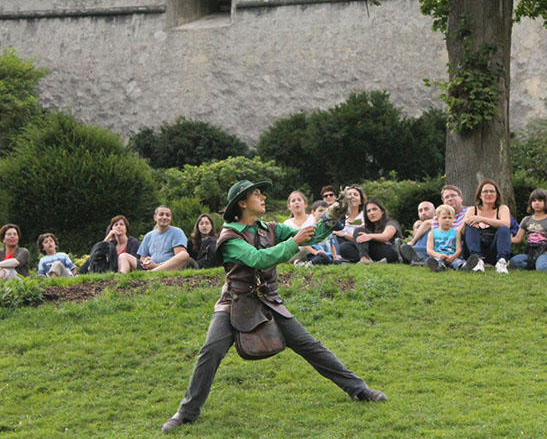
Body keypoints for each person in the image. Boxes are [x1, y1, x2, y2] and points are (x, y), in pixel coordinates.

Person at [161, 179, 386, 433]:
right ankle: (187, 413)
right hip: (235, 301)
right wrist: (294, 242)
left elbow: (316, 234)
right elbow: (258, 259)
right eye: (256, 194)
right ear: (242, 203)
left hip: (269, 300)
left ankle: (359, 389)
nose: (263, 197)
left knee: (310, 346)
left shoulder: (268, 228)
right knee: (210, 351)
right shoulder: (228, 236)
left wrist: (334, 214)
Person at [399, 185, 468, 265]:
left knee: (417, 247)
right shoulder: (436, 218)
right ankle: (408, 253)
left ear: (461, 198)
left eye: (453, 195)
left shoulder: (468, 211)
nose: (450, 199)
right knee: (429, 237)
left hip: (456, 247)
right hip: (438, 250)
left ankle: (405, 254)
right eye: (446, 197)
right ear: (443, 201)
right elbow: (436, 237)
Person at [118, 205, 190, 273]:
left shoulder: (177, 232)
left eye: (167, 215)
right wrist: (146, 262)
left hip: (169, 267)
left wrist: (156, 266)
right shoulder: (148, 236)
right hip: (149, 268)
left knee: (184, 255)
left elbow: (179, 257)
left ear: (170, 217)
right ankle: (121, 276)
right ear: (155, 217)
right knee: (123, 256)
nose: (164, 217)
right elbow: (142, 259)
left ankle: (153, 272)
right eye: (161, 214)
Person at [463, 179, 512, 273]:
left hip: (493, 250)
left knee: (504, 228)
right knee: (470, 226)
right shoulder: (472, 210)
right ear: (480, 195)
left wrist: (481, 219)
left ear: (497, 195)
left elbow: (507, 224)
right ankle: (477, 260)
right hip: (475, 248)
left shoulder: (502, 208)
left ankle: (502, 262)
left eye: (492, 191)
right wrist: (466, 222)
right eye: (485, 191)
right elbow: (462, 232)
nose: (489, 194)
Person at [509, 189, 547, 272]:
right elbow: (518, 238)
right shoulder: (526, 219)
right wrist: (506, 238)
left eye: (540, 200)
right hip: (530, 251)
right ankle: (536, 265)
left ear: (546, 202)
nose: (537, 203)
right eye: (534, 200)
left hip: (545, 251)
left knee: (542, 267)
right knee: (514, 262)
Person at [339, 198, 402, 263]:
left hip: (390, 252)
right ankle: (370, 260)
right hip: (374, 253)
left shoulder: (391, 223)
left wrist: (370, 236)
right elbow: (359, 240)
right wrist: (343, 234)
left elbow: (386, 236)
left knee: (359, 231)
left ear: (382, 211)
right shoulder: (369, 228)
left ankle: (365, 258)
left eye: (374, 209)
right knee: (344, 247)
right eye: (368, 211)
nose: (371, 213)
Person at [425, 205, 479, 272]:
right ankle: (439, 267)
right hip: (438, 257)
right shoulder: (432, 233)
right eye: (444, 218)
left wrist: (453, 256)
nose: (447, 220)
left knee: (458, 262)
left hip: (453, 257)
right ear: (437, 219)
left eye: (450, 218)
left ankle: (464, 267)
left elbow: (459, 249)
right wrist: (439, 255)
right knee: (438, 261)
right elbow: (429, 250)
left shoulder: (456, 233)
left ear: (453, 219)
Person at [302, 200, 341, 267]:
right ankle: (308, 264)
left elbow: (332, 245)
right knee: (322, 257)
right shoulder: (311, 228)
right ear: (313, 212)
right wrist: (315, 252)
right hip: (315, 255)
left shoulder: (328, 230)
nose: (323, 214)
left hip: (328, 256)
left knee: (337, 262)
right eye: (320, 211)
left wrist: (335, 257)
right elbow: (305, 245)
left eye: (325, 212)